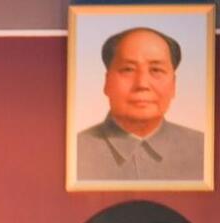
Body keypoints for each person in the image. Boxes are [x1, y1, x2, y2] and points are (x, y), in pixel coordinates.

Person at [77, 27, 204, 181]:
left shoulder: (203, 148)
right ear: (107, 82)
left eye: (156, 70)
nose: (142, 84)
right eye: (128, 70)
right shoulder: (76, 150)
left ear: (174, 85)